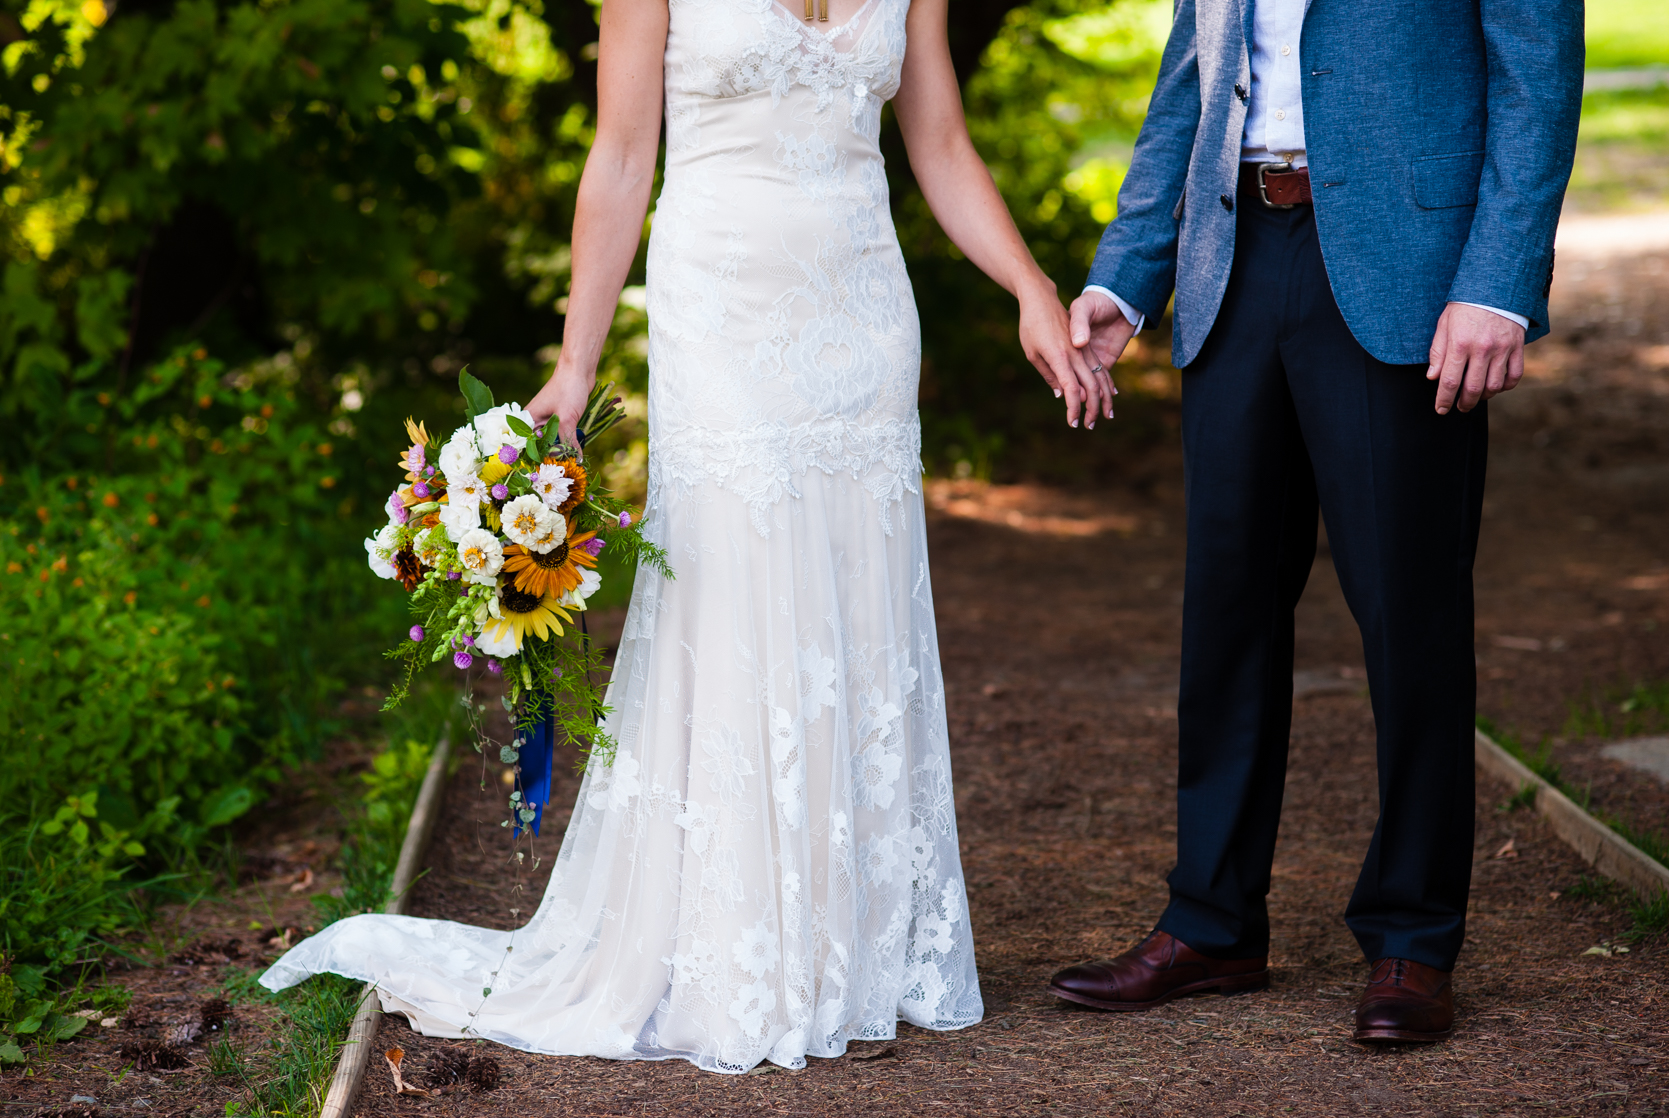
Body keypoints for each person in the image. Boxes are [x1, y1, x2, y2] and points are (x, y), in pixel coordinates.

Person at [262, 0, 1109, 1074]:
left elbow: (937, 140)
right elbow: (621, 159)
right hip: (722, 313)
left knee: (853, 604)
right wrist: (575, 359)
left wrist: (1031, 287)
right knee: (736, 597)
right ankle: (739, 947)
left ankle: (840, 949)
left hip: (863, 318)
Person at [1046, 0, 1582, 1043]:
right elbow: (1187, 83)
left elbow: (1539, 73)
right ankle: (1212, 919)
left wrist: (1500, 282)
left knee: (1407, 615)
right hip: (1233, 261)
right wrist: (1126, 271)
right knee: (1228, 611)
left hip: (1406, 274)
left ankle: (1414, 938)